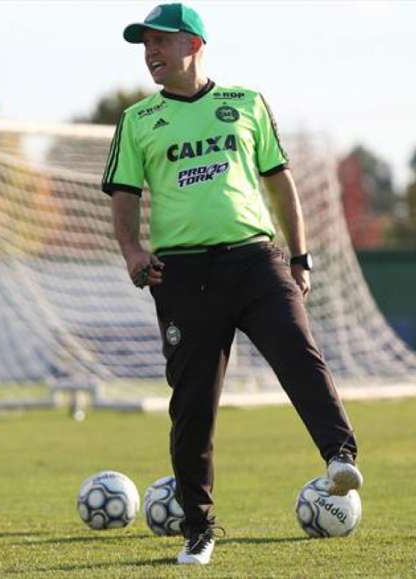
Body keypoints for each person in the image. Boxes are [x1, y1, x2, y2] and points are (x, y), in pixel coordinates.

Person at [102, 3, 363, 565]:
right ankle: (199, 530)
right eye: (144, 44)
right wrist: (132, 252)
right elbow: (124, 197)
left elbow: (280, 183)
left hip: (255, 261)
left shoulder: (245, 104)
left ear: (193, 44)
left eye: (160, 41)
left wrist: (300, 256)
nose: (150, 52)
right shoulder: (138, 121)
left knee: (299, 354)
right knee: (193, 407)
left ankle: (339, 456)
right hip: (182, 275)